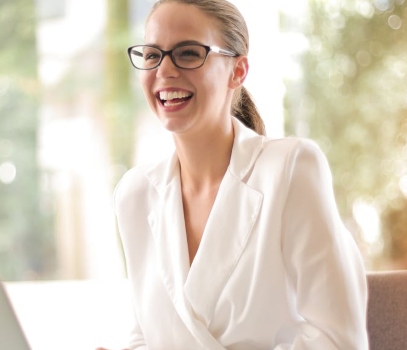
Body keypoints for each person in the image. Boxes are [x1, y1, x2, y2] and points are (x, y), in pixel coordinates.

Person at [98, 0, 369, 349]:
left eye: (188, 53)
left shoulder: (291, 169)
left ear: (237, 70)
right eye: (152, 55)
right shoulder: (134, 194)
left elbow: (338, 341)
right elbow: (146, 334)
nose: (164, 70)